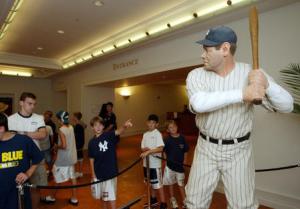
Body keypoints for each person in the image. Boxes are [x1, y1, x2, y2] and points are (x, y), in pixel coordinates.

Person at [185, 26, 294, 209]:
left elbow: (287, 106)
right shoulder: (196, 75)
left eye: (207, 49)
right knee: (194, 203)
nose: (202, 55)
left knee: (243, 205)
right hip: (206, 148)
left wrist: (266, 83)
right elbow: (199, 103)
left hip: (239, 150)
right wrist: (244, 93)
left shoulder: (251, 73)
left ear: (225, 49)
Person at [7, 92, 50, 208]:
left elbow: (42, 134)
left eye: (34, 104)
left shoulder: (39, 117)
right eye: (29, 103)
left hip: (37, 158)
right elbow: (11, 138)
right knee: (18, 188)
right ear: (21, 103)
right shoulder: (11, 119)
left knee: (36, 189)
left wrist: (23, 133)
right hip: (19, 158)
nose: (32, 106)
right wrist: (32, 134)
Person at [88, 116, 132, 209]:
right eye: (95, 125)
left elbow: (119, 131)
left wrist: (124, 126)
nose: (98, 127)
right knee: (103, 196)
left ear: (103, 126)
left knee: (111, 196)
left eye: (100, 125)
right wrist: (93, 174)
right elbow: (91, 159)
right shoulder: (91, 143)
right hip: (99, 173)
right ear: (92, 127)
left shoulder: (108, 135)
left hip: (110, 172)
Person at [49, 110, 79, 205]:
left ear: (59, 119)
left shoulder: (61, 129)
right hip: (72, 157)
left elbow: (64, 146)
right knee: (72, 177)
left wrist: (56, 146)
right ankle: (74, 198)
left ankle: (52, 197)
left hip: (63, 159)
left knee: (57, 178)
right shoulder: (71, 127)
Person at [140, 114, 167, 209]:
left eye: (153, 123)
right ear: (147, 123)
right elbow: (142, 148)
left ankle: (163, 203)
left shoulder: (157, 134)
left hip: (155, 165)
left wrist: (149, 151)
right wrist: (145, 150)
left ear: (157, 124)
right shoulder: (145, 134)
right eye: (149, 122)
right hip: (146, 164)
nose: (151, 124)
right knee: (150, 183)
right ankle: (153, 199)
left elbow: (160, 148)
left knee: (158, 184)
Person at [163, 120, 189, 209]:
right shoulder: (166, 139)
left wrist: (185, 160)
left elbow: (185, 150)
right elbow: (164, 151)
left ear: (177, 127)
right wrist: (166, 161)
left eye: (174, 126)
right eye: (170, 127)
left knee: (181, 183)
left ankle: (184, 200)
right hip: (170, 166)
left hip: (180, 166)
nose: (173, 128)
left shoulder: (182, 138)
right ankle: (172, 199)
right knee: (171, 183)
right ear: (167, 130)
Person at [71, 112, 85, 178]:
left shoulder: (78, 125)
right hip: (80, 143)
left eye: (73, 116)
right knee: (79, 157)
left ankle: (79, 172)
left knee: (78, 158)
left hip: (78, 144)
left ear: (76, 117)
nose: (72, 117)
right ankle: (79, 172)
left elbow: (76, 136)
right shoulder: (78, 124)